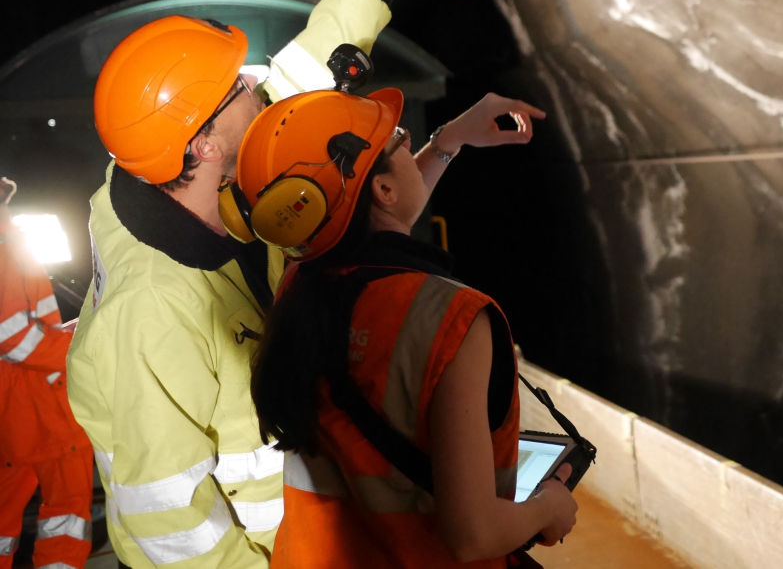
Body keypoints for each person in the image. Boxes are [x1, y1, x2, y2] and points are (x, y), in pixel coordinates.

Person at [66, 0, 486, 569]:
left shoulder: (191, 173)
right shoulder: (151, 308)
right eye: (237, 86)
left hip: (307, 533)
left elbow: (301, 75)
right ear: (203, 144)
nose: (257, 84)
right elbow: (168, 524)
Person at [232, 86, 576, 568]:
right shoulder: (454, 318)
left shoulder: (297, 291)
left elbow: (369, 219)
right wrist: (547, 509)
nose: (410, 146)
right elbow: (472, 536)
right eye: (400, 142)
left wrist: (446, 142)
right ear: (383, 189)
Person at [0, 178, 93, 569]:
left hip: (14, 410)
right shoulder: (5, 244)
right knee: (67, 514)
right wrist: (80, 348)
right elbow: (13, 336)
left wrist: (65, 332)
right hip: (43, 408)